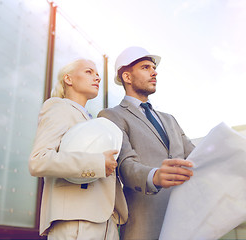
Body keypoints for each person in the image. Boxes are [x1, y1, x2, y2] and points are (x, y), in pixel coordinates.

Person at [98, 47, 195, 239]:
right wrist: (155, 176)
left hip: (183, 221)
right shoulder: (112, 116)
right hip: (144, 224)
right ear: (127, 77)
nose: (154, 72)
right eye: (145, 67)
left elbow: (194, 156)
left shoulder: (170, 119)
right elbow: (124, 164)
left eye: (154, 67)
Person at [29, 59, 127, 240]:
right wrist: (97, 163)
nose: (97, 77)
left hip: (105, 222)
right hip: (76, 223)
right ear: (68, 79)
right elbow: (39, 160)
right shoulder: (58, 107)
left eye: (97, 74)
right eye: (89, 72)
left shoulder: (89, 120)